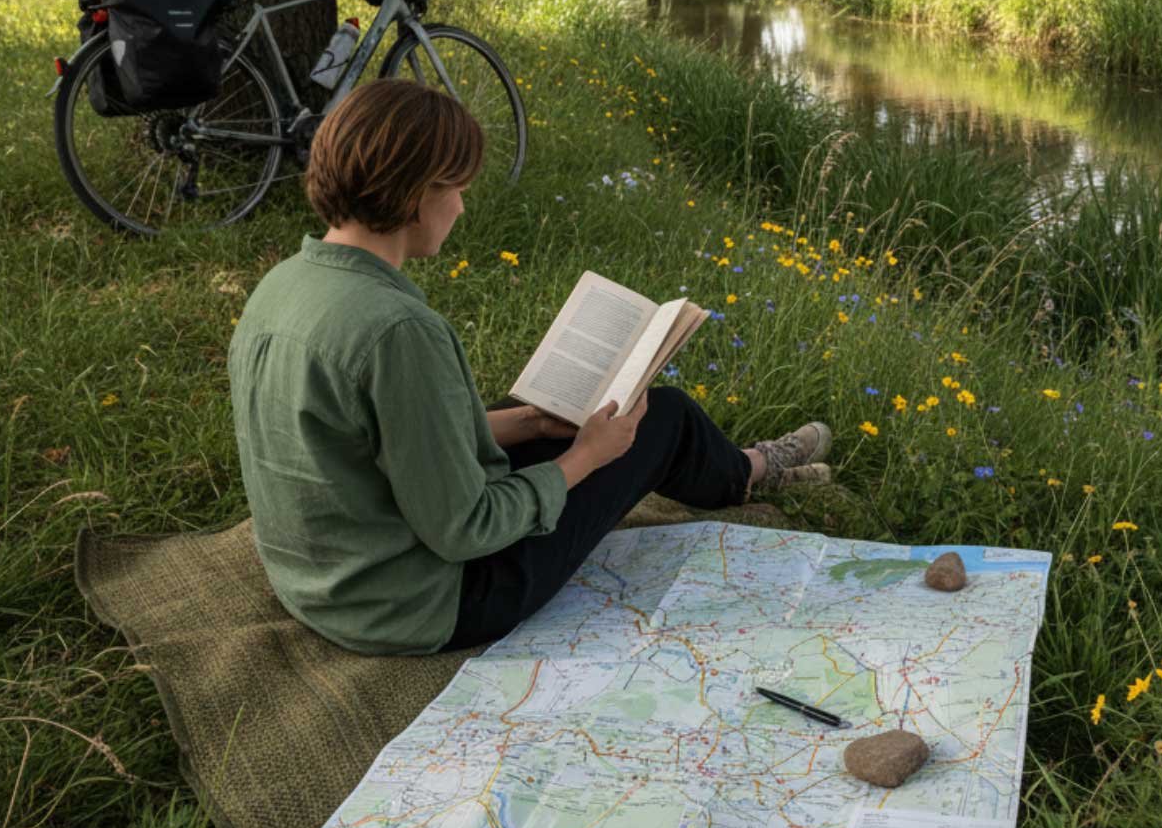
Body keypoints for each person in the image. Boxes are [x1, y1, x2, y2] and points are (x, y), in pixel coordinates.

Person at [227, 79, 830, 656]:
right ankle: (745, 474)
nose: (462, 206)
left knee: (556, 423)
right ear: (415, 195)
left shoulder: (284, 284)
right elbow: (465, 529)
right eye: (456, 187)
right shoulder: (398, 332)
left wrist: (531, 426)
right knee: (660, 418)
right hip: (420, 603)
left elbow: (382, 445)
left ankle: (736, 467)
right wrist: (585, 457)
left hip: (322, 582)